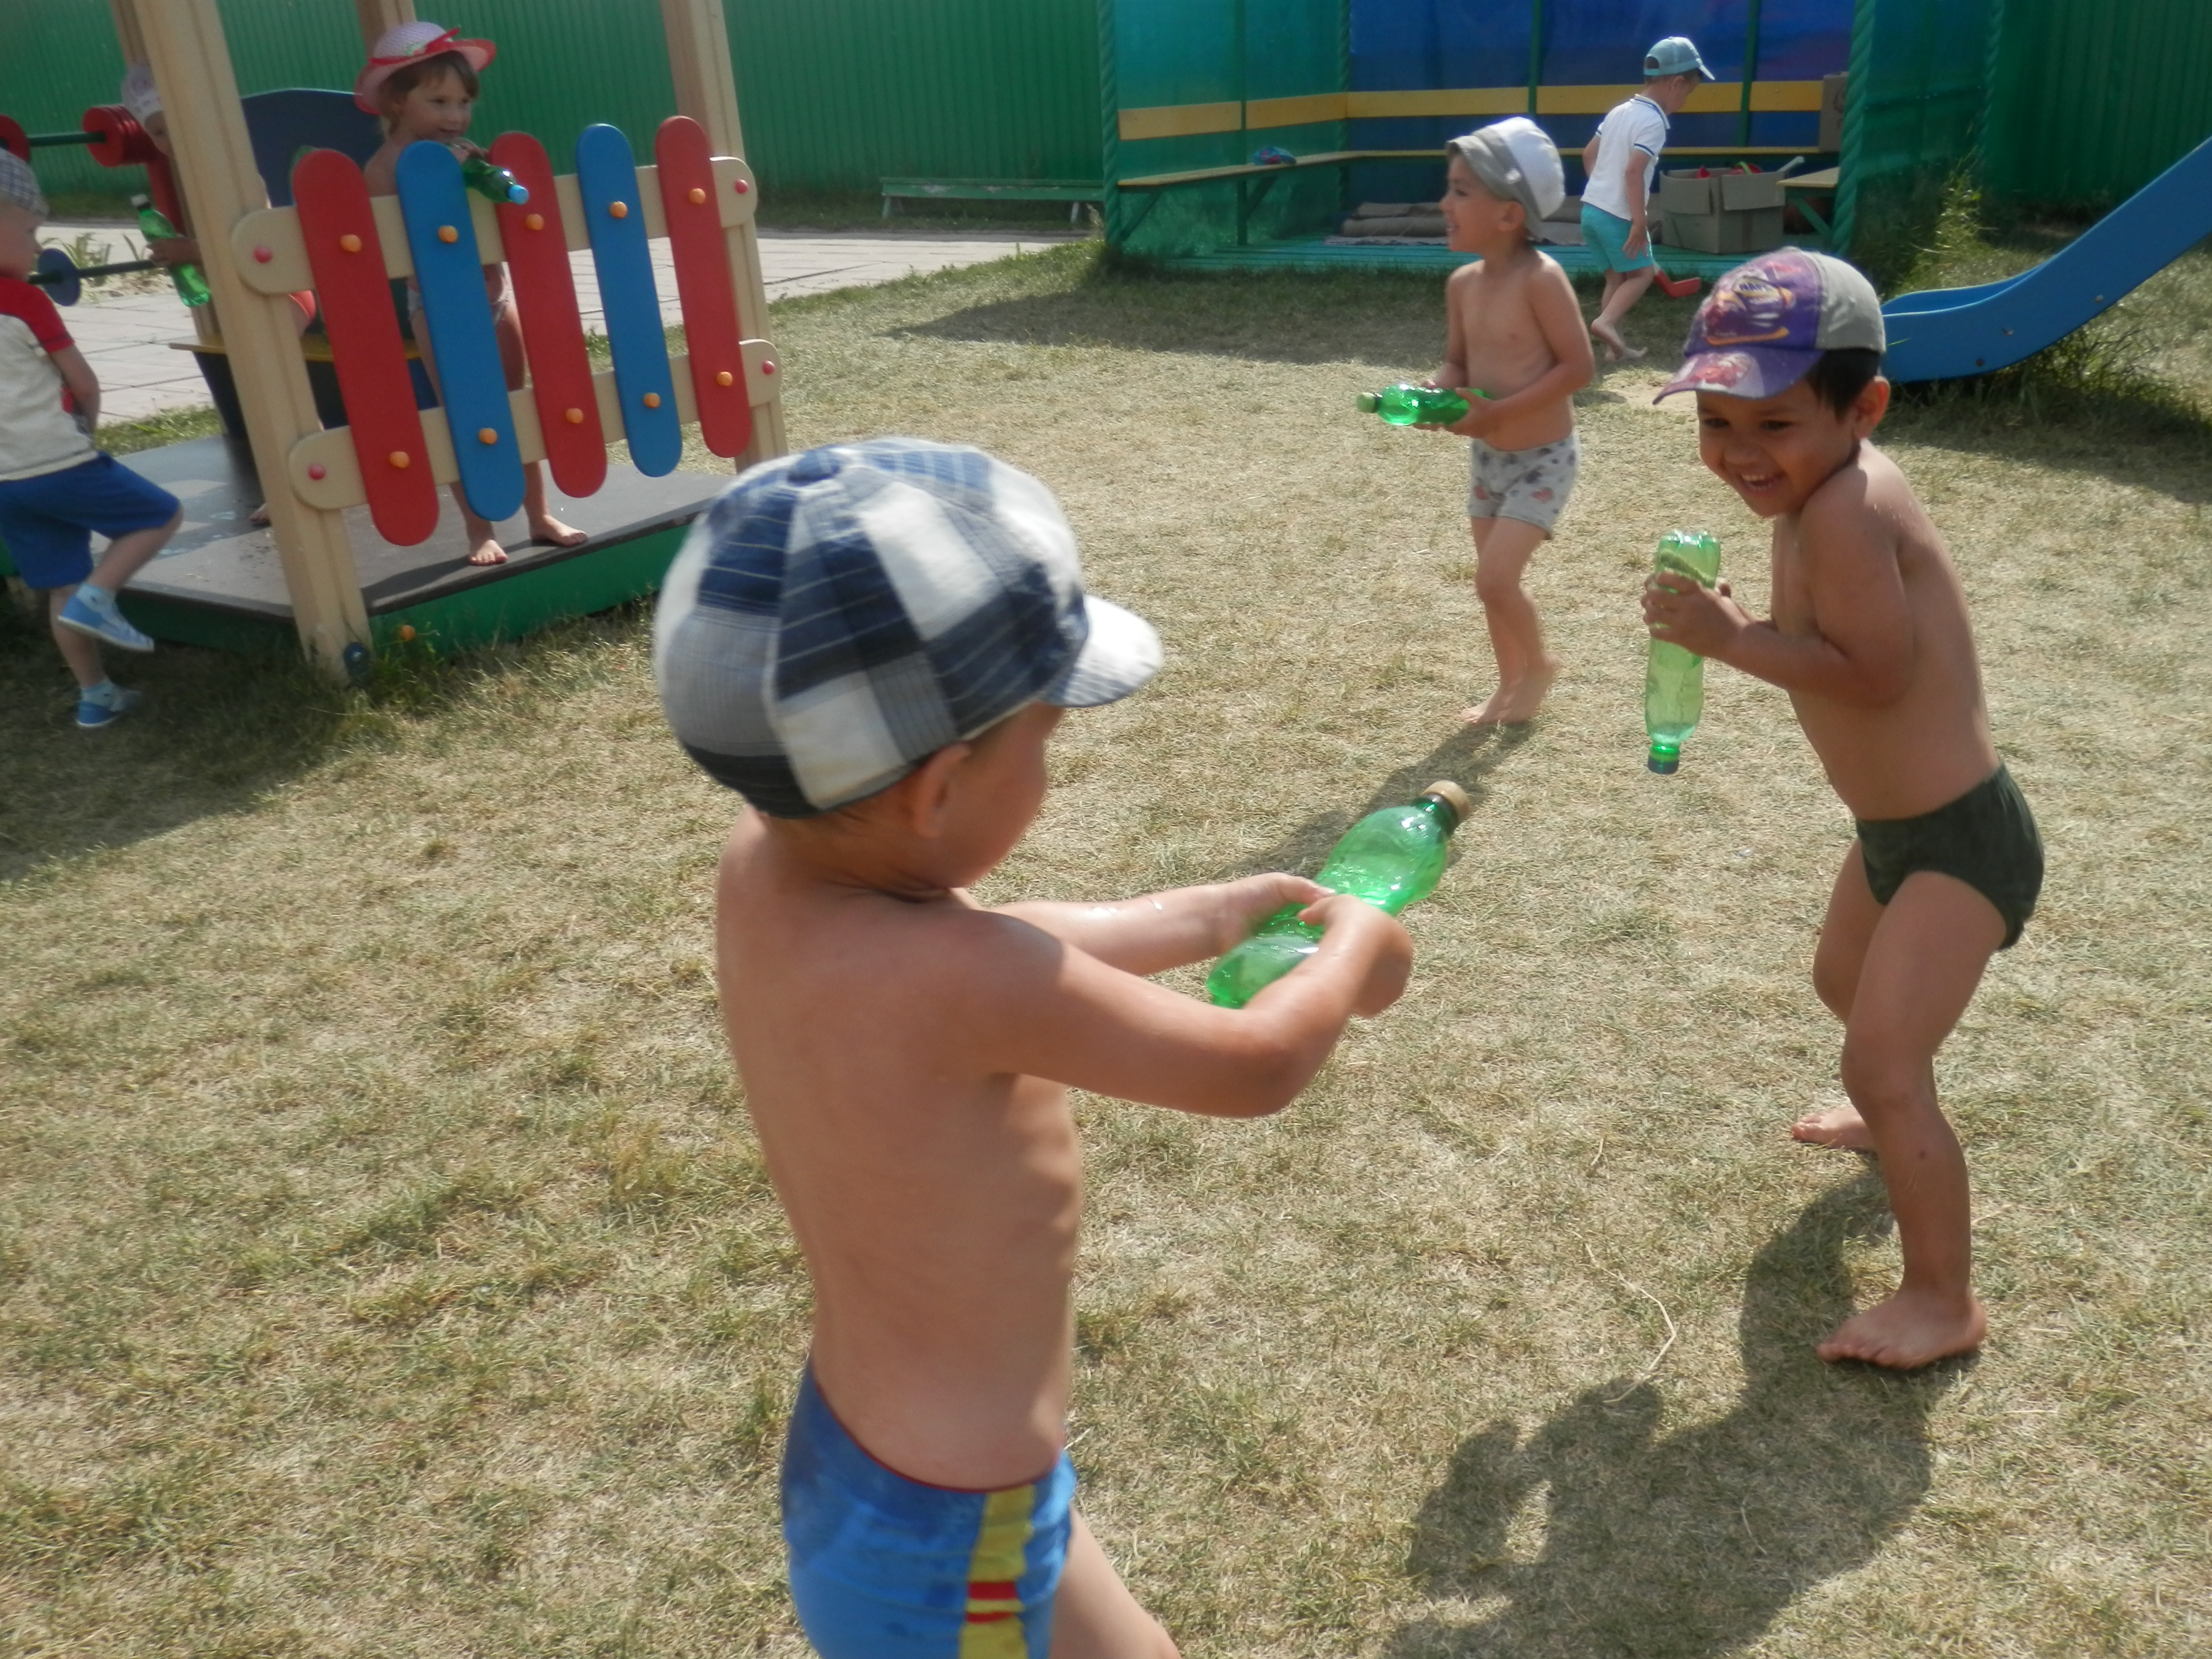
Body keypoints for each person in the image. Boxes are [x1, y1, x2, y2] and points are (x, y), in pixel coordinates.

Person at [654, 438, 1413, 1656]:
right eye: (1044, 741)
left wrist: (1203, 915)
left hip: (887, 1458)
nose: (1049, 768)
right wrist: (1357, 940)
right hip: (955, 1532)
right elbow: (1255, 1062)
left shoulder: (770, 866)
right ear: (936, 790)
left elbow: (998, 947)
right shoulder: (960, 979)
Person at [1642, 250, 2043, 1370]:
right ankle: (1887, 1110)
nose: (1737, 453)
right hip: (1893, 833)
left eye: (1770, 423)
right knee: (1843, 989)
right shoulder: (1820, 493)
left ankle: (1941, 1300)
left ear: (1861, 407)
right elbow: (1829, 642)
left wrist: (1729, 641)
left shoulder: (1845, 512)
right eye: (1714, 423)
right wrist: (1740, 625)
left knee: (1880, 1057)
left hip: (1960, 839)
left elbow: (1871, 673)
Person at [357, 21, 584, 565]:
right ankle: (478, 529)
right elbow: (404, 248)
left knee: (516, 406)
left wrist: (478, 176)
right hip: (438, 311)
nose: (456, 116)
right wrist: (442, 184)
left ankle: (539, 515)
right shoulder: (383, 168)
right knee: (464, 415)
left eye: (464, 103)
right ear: (396, 101)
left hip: (495, 297)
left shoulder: (460, 152)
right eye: (438, 102)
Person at [0, 150, 177, 728]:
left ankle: (96, 696)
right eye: (30, 232)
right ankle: (100, 599)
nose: (37, 246)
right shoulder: (24, 301)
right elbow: (83, 383)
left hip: (6, 483)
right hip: (59, 460)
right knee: (159, 516)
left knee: (60, 585)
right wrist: (89, 430)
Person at [1427, 118, 1595, 725]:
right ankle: (1507, 686)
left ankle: (1540, 666)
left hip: (1542, 461)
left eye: (1460, 191)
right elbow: (1456, 361)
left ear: (1508, 215)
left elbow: (1578, 368)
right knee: (1489, 585)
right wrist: (1435, 394)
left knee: (1496, 580)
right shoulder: (1461, 284)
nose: (1444, 203)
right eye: (1448, 188)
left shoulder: (1541, 279)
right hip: (1488, 459)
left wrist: (1497, 412)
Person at [119, 60, 314, 528]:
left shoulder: (230, 171)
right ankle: (303, 477)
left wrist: (190, 250)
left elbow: (253, 245)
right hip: (254, 294)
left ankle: (299, 484)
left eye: (178, 126)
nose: (171, 141)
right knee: (275, 397)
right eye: (159, 133)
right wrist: (186, 252)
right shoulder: (195, 174)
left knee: (276, 397)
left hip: (279, 291)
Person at [1580, 36, 1713, 361]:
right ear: (1676, 82)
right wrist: (1640, 221)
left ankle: (1615, 349)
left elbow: (1588, 155)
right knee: (1641, 275)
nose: (1685, 101)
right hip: (1619, 217)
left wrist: (1602, 189)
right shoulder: (1654, 122)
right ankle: (1606, 323)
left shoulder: (1620, 111)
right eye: (1688, 92)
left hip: (1591, 211)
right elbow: (1633, 172)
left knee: (1616, 279)